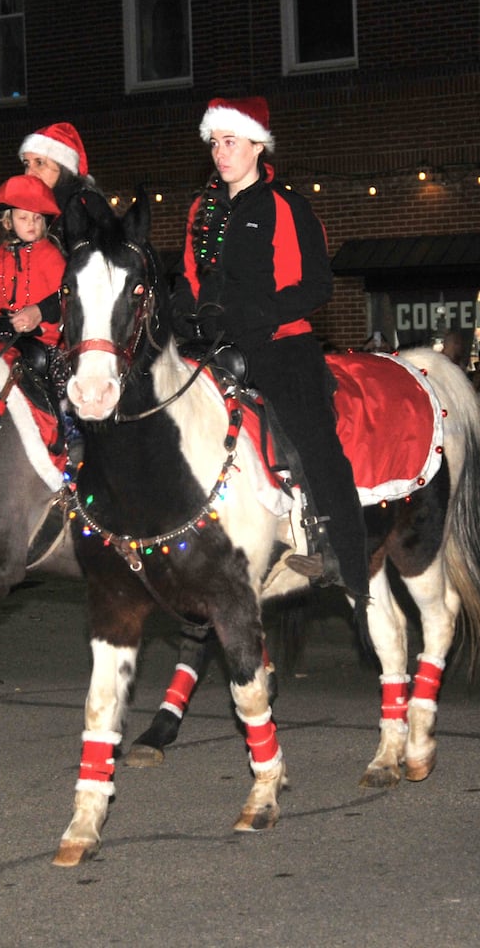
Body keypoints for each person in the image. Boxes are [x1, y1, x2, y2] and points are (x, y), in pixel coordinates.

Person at [172, 96, 367, 601]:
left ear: (258, 145)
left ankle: (343, 555)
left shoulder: (286, 205)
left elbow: (318, 285)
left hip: (281, 344)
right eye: (214, 143)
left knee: (314, 438)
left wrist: (260, 314)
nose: (220, 152)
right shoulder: (203, 209)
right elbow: (191, 277)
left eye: (230, 141)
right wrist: (185, 318)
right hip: (212, 346)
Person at [0, 175, 66, 347]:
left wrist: (41, 313)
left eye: (37, 218)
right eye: (23, 218)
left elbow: (66, 294)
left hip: (45, 339)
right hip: (3, 339)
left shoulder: (49, 254)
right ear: (8, 222)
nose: (32, 223)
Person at [18, 122, 116, 256]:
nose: (29, 173)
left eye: (39, 163)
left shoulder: (85, 206)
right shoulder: (31, 209)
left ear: (63, 167)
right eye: (26, 164)